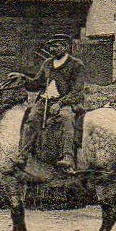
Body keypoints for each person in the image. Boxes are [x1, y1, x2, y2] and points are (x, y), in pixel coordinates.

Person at [32, 35, 86, 171]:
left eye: (56, 46)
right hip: (45, 101)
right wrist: (23, 79)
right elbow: (37, 83)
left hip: (66, 102)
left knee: (66, 118)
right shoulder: (47, 63)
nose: (53, 49)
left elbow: (77, 91)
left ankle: (68, 156)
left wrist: (60, 103)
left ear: (65, 47)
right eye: (51, 46)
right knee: (31, 118)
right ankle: (24, 153)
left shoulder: (76, 64)